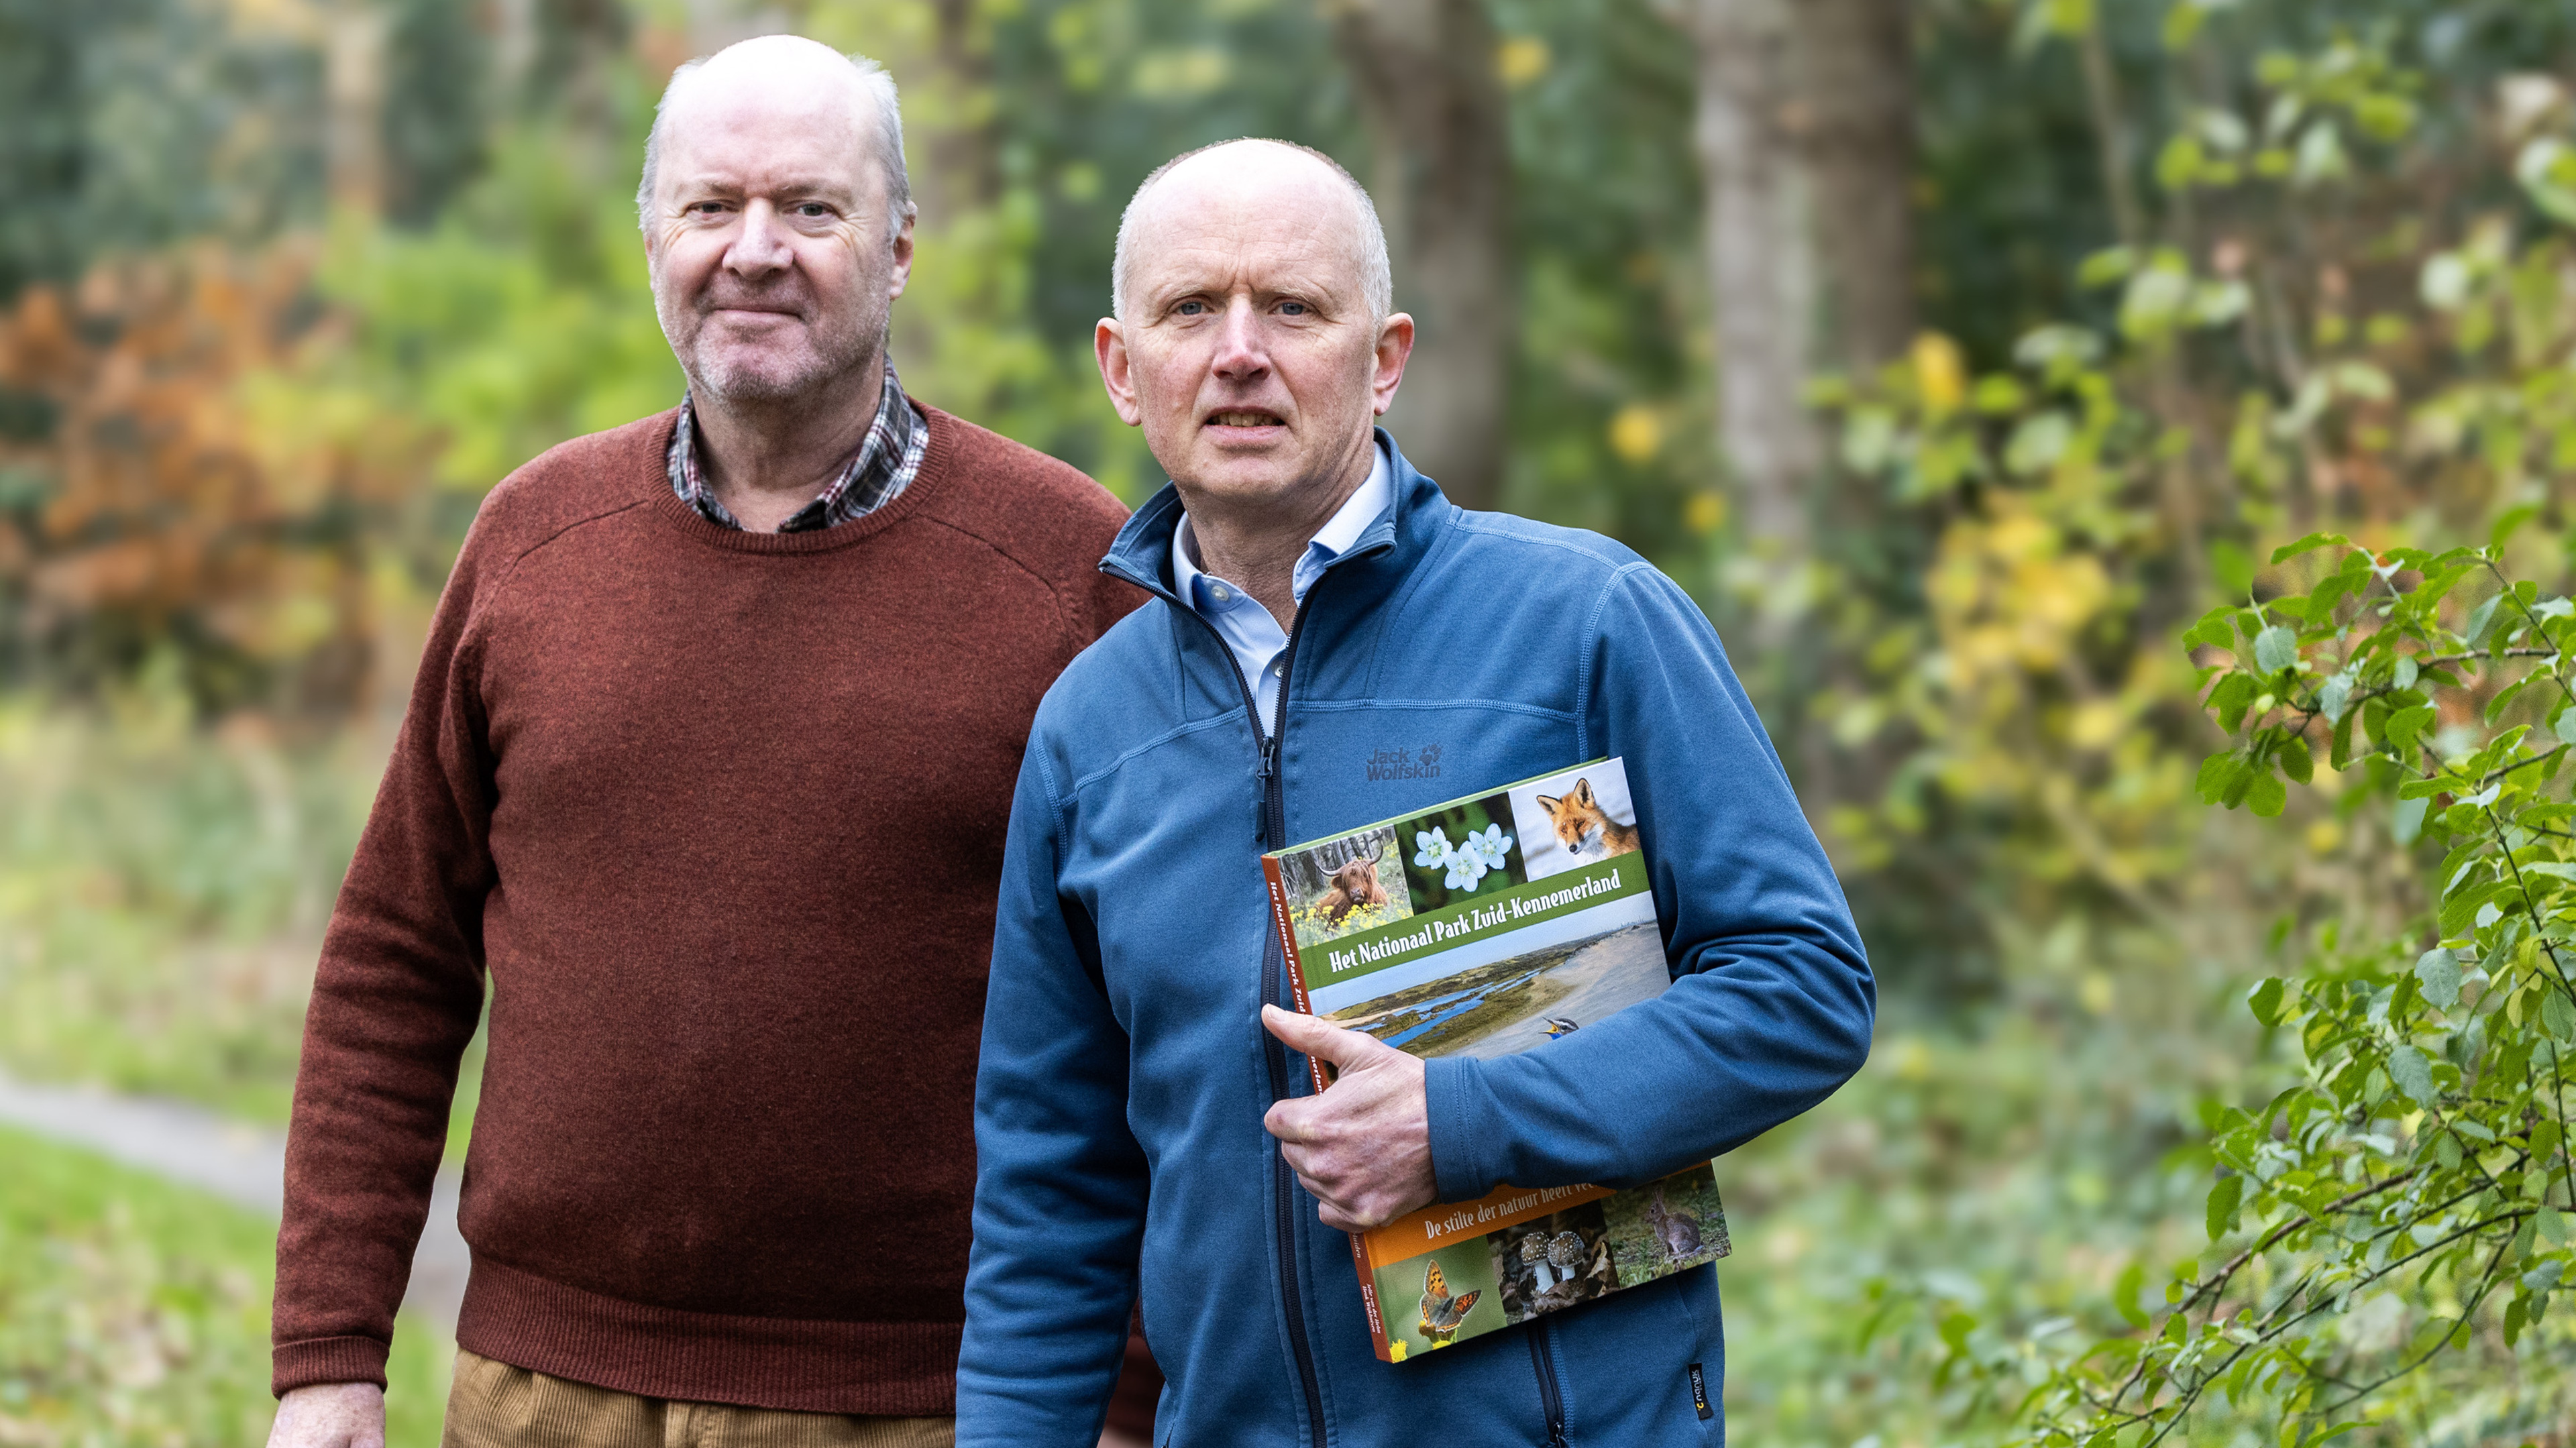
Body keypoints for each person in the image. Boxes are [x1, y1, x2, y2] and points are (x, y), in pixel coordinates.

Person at [264, 35, 1135, 1448]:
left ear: (901, 246)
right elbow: (393, 959)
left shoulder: (1066, 569)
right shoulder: (531, 543)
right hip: (538, 1397)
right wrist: (327, 1356)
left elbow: (1162, 1008)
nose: (755, 252)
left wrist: (1124, 1399)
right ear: (651, 238)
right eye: (710, 207)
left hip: (927, 1404)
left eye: (811, 209)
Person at [956, 138, 1875, 1446]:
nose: (1238, 351)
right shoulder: (1087, 732)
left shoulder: (1584, 627)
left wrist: (1466, 1118)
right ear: (1121, 367)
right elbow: (1050, 1200)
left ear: (1384, 358)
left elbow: (1804, 991)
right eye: (1189, 310)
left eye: (1293, 307)